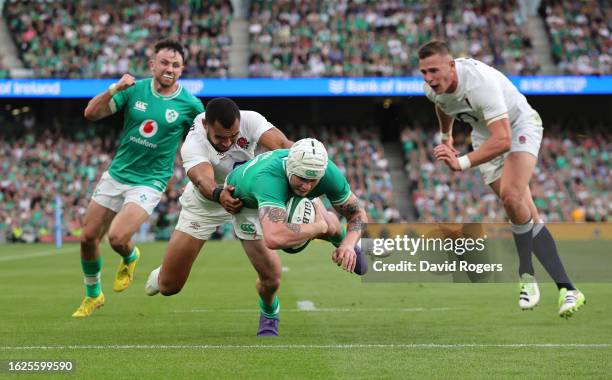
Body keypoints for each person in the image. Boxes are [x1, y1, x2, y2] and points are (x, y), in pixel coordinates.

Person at [417, 40, 585, 318]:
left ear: (451, 65)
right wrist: (446, 136)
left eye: (433, 70)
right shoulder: (432, 88)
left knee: (510, 195)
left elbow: (504, 139)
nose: (428, 78)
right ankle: (568, 289)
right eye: (423, 72)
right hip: (485, 136)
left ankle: (526, 275)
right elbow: (442, 105)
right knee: (524, 212)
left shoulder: (478, 83)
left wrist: (462, 162)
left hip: (518, 127)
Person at [72, 39, 204, 317]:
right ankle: (93, 295)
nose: (170, 69)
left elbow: (207, 138)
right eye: (165, 63)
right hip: (117, 173)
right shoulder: (134, 90)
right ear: (152, 64)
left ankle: (130, 255)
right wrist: (113, 89)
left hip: (150, 181)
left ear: (182, 70)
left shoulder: (190, 104)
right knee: (87, 237)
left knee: (118, 238)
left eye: (176, 65)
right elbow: (90, 113)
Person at [144, 97, 294, 296]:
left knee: (272, 278)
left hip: (244, 199)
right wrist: (219, 194)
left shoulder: (250, 120)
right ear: (206, 125)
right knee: (169, 287)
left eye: (233, 136)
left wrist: (305, 158)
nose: (228, 142)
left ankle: (269, 317)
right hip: (206, 203)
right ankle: (162, 274)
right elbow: (202, 179)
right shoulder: (193, 143)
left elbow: (284, 145)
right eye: (220, 137)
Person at [224, 138, 368, 336]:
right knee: (271, 279)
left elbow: (358, 215)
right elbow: (275, 239)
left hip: (286, 193)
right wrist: (318, 226)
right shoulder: (268, 179)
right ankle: (269, 311)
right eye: (302, 178)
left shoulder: (326, 173)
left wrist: (350, 244)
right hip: (246, 205)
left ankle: (340, 240)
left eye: (313, 181)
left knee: (327, 223)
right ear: (291, 168)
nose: (307, 186)